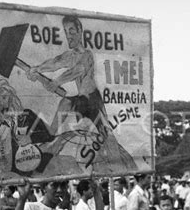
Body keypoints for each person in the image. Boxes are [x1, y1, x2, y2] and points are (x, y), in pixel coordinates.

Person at [27, 15, 137, 171]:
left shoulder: (87, 55)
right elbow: (54, 63)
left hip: (92, 102)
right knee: (58, 117)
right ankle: (34, 152)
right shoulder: (69, 55)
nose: (68, 36)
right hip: (79, 101)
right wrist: (36, 69)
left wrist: (56, 82)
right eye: (66, 32)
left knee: (108, 136)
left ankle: (120, 169)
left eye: (72, 31)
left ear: (80, 31)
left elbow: (77, 70)